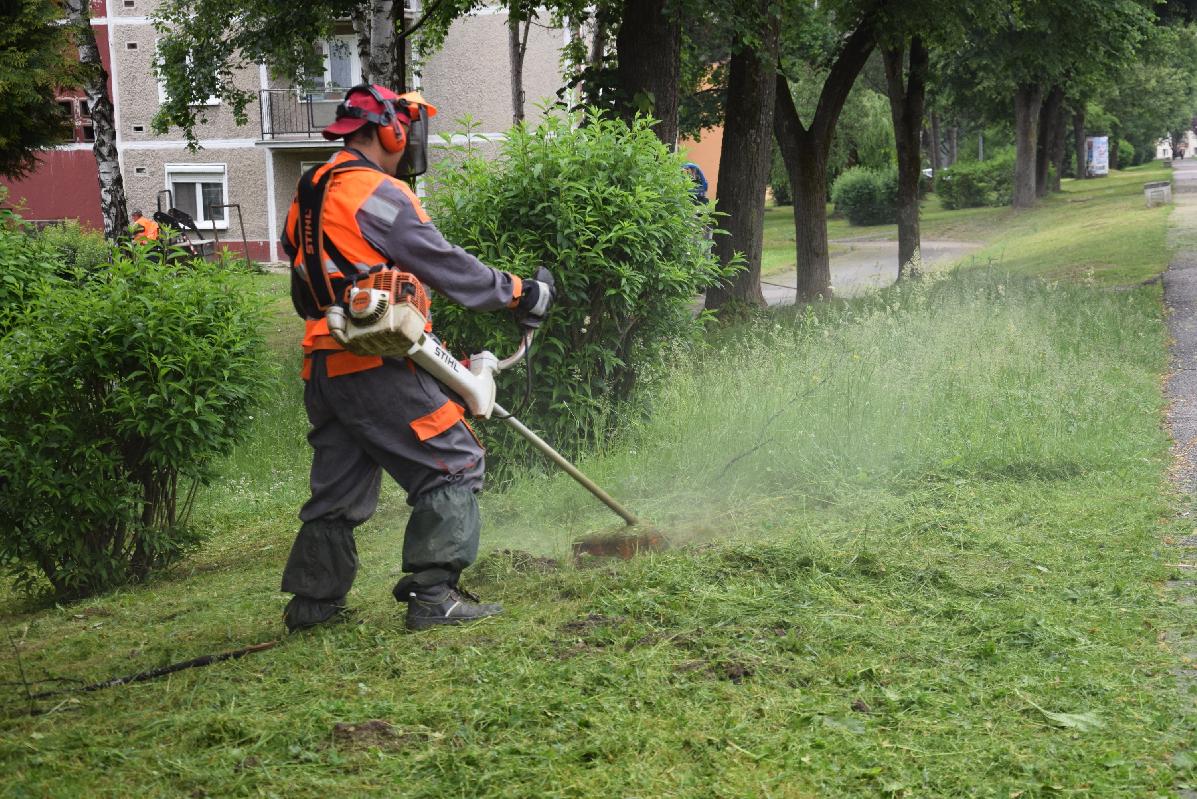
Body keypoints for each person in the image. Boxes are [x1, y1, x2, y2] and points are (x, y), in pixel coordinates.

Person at [278, 84, 555, 632]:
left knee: (338, 488)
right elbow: (445, 264)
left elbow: (304, 278)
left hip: (324, 365)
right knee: (455, 460)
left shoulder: (309, 189)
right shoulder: (374, 192)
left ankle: (312, 606)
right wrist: (520, 292)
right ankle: (434, 596)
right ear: (389, 131)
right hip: (373, 361)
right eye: (407, 131)